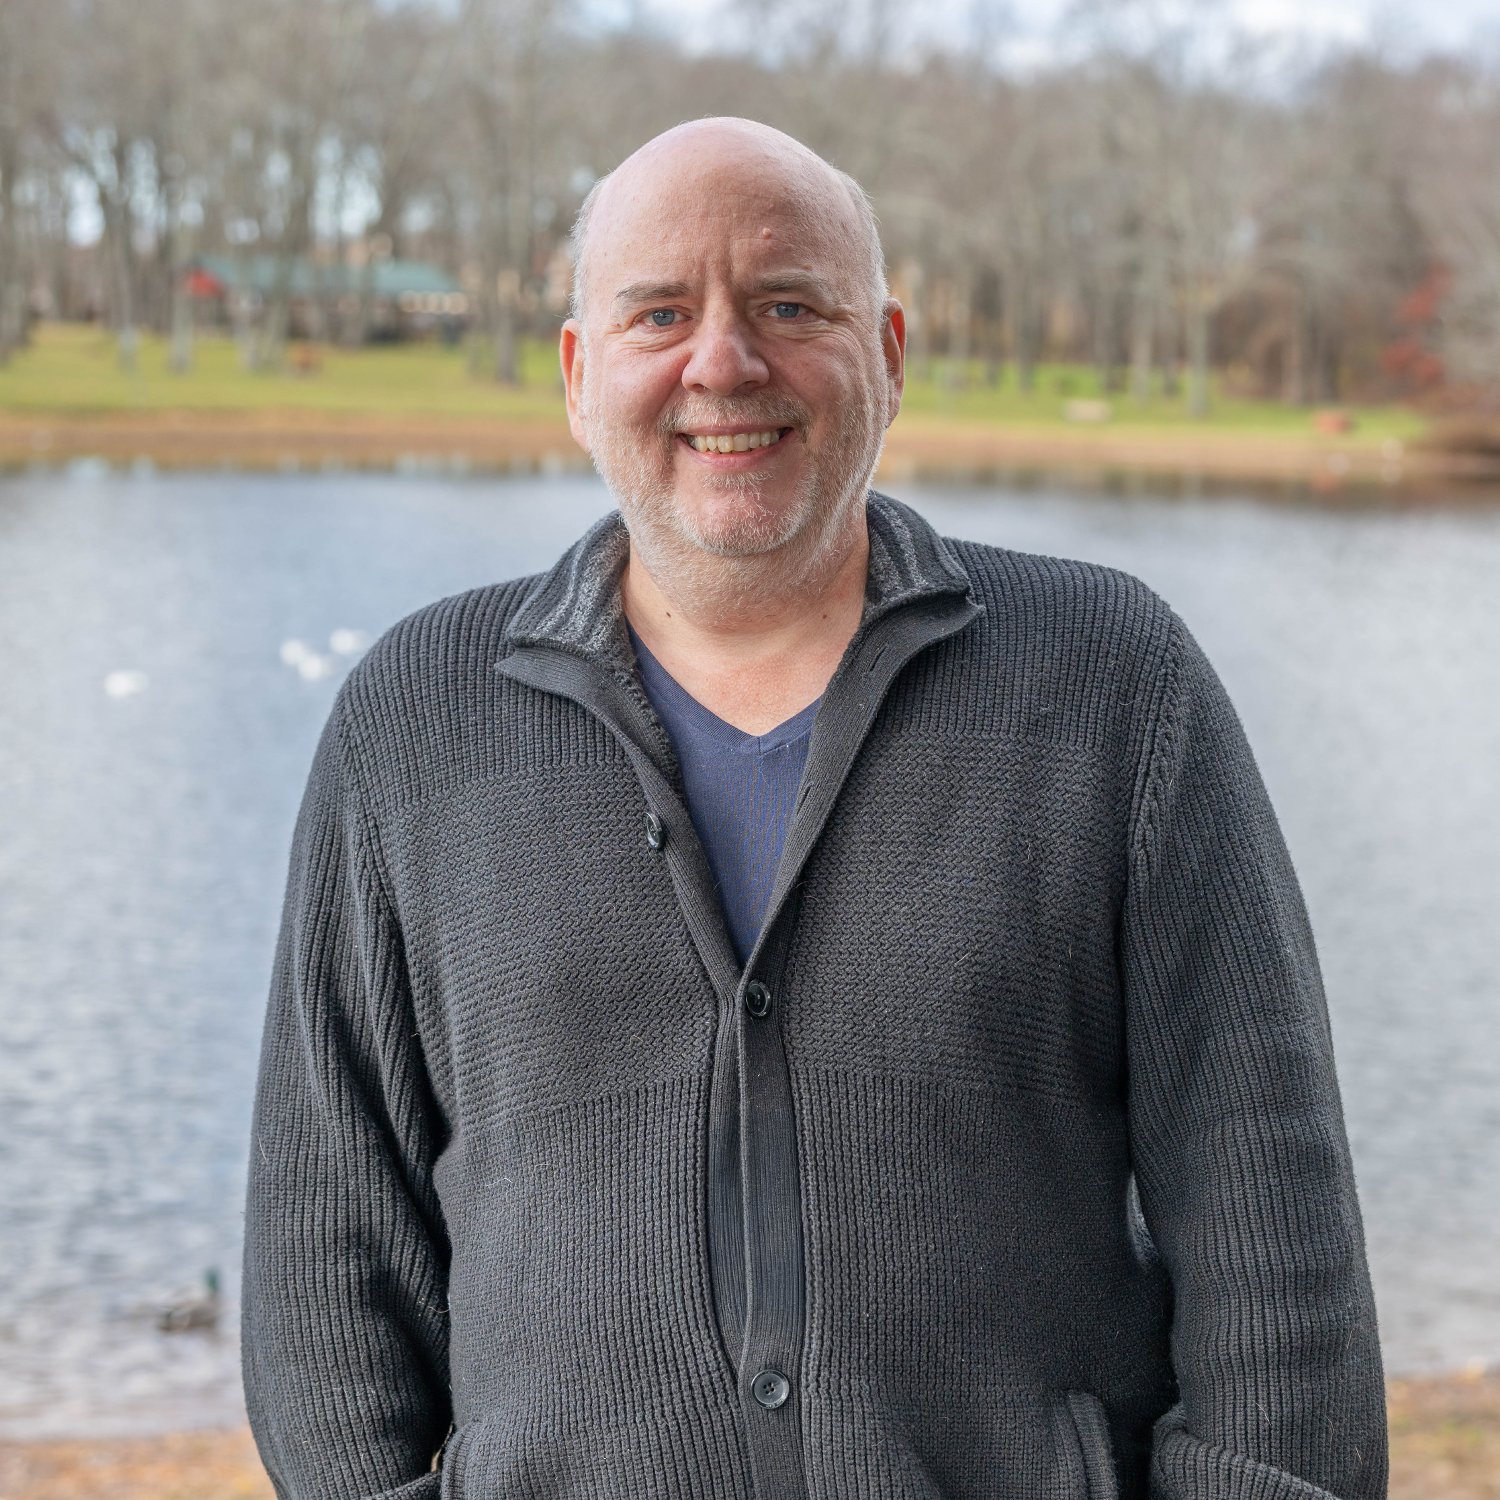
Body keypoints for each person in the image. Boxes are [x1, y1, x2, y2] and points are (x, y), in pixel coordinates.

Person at [241, 117, 1387, 1500]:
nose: (722, 362)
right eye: (660, 312)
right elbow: (326, 1256)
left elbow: (1272, 1224)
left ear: (890, 354)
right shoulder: (414, 719)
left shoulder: (1112, 684)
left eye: (790, 304)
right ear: (576, 371)